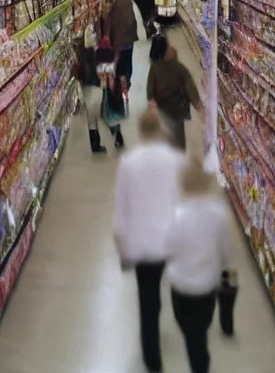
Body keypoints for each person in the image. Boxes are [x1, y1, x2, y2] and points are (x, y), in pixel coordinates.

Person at [113, 109, 185, 373]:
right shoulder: (176, 160)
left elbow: (122, 210)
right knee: (171, 283)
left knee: (147, 301)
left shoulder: (129, 163)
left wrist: (122, 246)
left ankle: (153, 360)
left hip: (142, 243)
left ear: (142, 132)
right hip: (169, 240)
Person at [166, 158, 233, 373]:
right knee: (200, 331)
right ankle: (200, 354)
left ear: (183, 183)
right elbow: (225, 254)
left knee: (190, 334)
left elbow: (170, 249)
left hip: (181, 286)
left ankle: (198, 360)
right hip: (206, 286)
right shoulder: (219, 214)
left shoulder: (176, 216)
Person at [147, 34, 202, 150]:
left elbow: (150, 88)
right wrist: (198, 106)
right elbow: (189, 87)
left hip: (162, 109)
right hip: (177, 108)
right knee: (179, 139)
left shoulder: (155, 68)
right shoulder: (178, 67)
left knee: (165, 137)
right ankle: (179, 161)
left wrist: (151, 102)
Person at [74, 38, 125, 152]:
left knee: (92, 121)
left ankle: (95, 146)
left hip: (86, 92)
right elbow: (105, 78)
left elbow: (78, 77)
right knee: (104, 114)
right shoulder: (98, 61)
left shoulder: (81, 63)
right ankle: (116, 132)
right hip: (97, 91)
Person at [108, 0, 138, 95]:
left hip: (119, 42)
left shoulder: (116, 4)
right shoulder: (129, 3)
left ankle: (122, 83)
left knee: (120, 63)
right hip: (129, 41)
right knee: (128, 62)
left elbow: (113, 23)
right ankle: (127, 81)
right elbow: (132, 22)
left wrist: (111, 39)